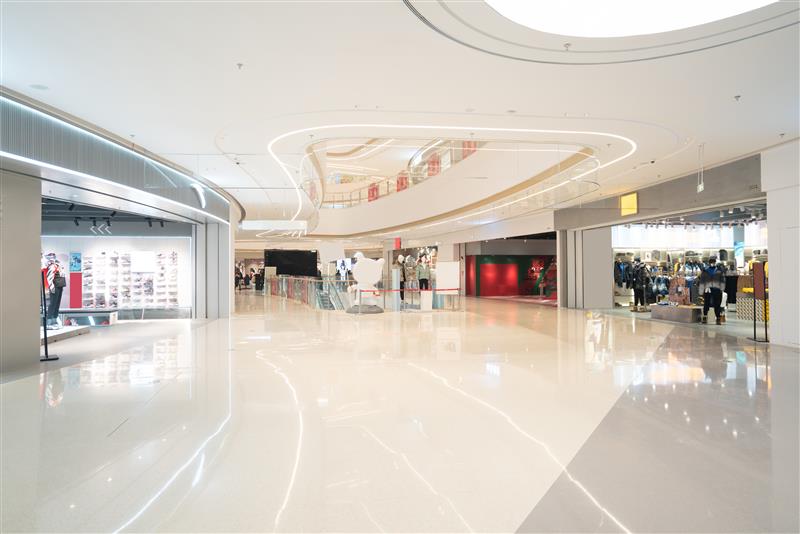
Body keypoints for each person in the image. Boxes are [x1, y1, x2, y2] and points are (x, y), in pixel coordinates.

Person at [699, 256, 726, 325]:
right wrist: (701, 291)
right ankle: (705, 317)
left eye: (713, 262)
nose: (712, 263)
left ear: (715, 262)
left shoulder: (719, 270)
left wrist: (722, 289)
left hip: (717, 289)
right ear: (709, 262)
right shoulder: (705, 270)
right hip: (707, 289)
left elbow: (722, 280)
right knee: (706, 303)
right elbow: (702, 280)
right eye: (711, 262)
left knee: (717, 304)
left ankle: (718, 318)